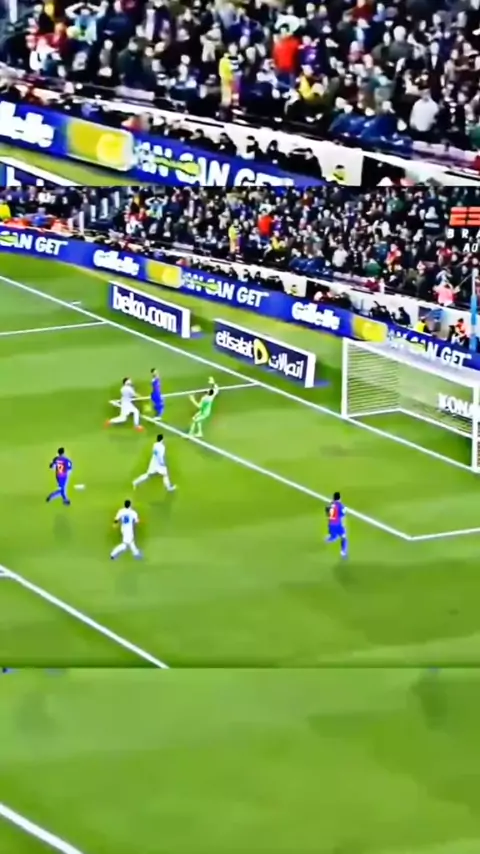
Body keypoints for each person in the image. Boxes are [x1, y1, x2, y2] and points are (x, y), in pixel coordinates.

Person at [325, 491, 348, 559]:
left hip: (330, 524)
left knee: (333, 536)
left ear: (333, 498)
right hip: (338, 524)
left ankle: (330, 538)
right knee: (343, 537)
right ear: (340, 498)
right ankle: (343, 552)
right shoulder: (341, 506)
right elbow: (343, 515)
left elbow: (327, 512)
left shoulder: (330, 505)